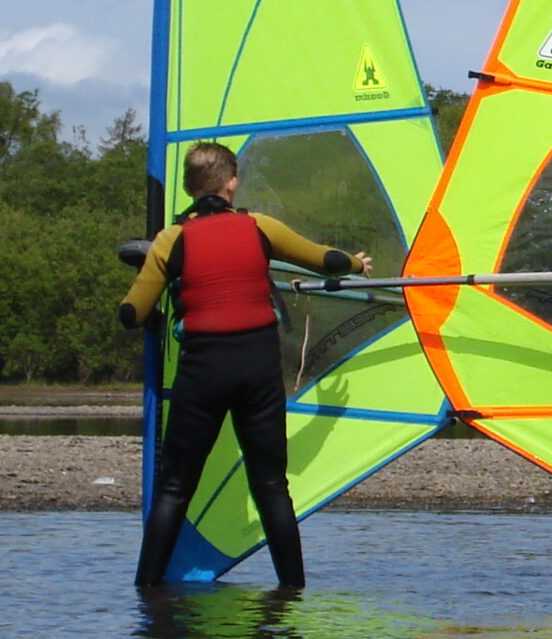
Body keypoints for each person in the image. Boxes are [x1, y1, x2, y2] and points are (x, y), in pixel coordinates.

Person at [118, 140, 366, 588]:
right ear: (231, 184)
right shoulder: (259, 227)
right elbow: (326, 260)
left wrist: (149, 273)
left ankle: (147, 590)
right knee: (271, 485)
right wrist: (356, 262)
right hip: (257, 371)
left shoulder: (171, 240)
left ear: (190, 187)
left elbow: (131, 314)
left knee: (175, 488)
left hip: (203, 373)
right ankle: (292, 590)